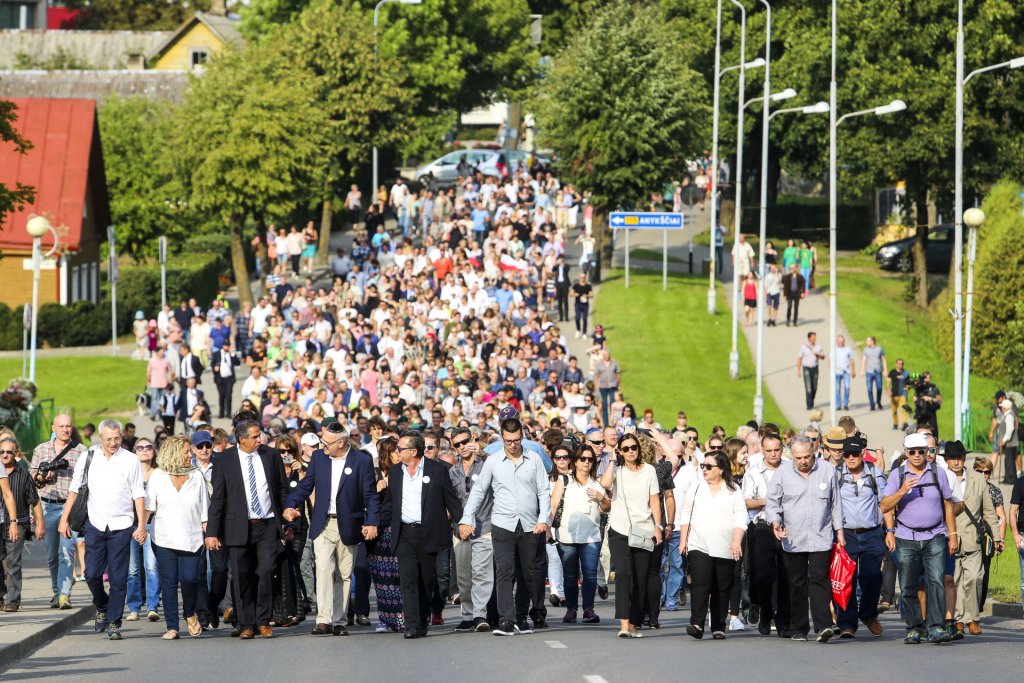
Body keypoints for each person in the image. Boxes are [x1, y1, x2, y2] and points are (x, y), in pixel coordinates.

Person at [283, 421, 380, 636]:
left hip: (349, 524)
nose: (322, 446)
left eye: (326, 442)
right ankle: (323, 619)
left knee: (344, 574)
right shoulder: (319, 459)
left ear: (341, 442)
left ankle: (339, 620)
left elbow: (370, 496)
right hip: (323, 523)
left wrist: (372, 521)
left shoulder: (361, 461)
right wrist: (291, 504)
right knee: (324, 570)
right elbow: (306, 485)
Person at [459, 416, 550, 636]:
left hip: (529, 524)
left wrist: (543, 519)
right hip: (502, 523)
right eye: (508, 440)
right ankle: (506, 619)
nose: (512, 444)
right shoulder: (493, 461)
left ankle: (521, 616)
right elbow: (479, 491)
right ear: (502, 438)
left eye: (516, 440)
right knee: (504, 571)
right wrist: (466, 518)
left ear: (522, 437)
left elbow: (543, 491)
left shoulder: (534, 459)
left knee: (527, 573)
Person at [59, 420, 148, 641]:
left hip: (122, 525)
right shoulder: (88, 457)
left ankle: (114, 622)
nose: (113, 443)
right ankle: (102, 604)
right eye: (108, 439)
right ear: (100, 438)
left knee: (118, 578)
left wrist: (141, 525)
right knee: (91, 574)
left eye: (117, 438)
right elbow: (74, 490)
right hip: (95, 523)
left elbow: (138, 493)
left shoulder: (130, 460)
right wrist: (64, 520)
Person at [205, 420, 291, 640]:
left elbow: (281, 490)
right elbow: (218, 499)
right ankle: (246, 623)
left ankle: (263, 620)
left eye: (259, 435)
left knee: (266, 571)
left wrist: (287, 521)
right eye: (254, 437)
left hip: (267, 525)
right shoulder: (225, 460)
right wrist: (212, 532)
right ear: (241, 439)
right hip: (238, 527)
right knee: (242, 577)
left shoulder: (270, 456)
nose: (259, 440)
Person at [879, 432, 957, 644]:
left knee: (936, 582)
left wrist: (953, 534)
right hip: (906, 536)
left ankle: (936, 627)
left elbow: (948, 504)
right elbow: (885, 506)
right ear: (905, 453)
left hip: (935, 535)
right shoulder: (898, 475)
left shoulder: (937, 473)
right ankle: (914, 627)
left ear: (927, 452)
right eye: (912, 452)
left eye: (921, 451)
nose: (916, 455)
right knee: (908, 585)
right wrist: (902, 491)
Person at [765, 436, 844, 643]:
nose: (803, 461)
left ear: (814, 452)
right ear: (792, 456)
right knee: (796, 583)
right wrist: (775, 522)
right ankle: (799, 628)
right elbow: (772, 503)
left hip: (821, 535)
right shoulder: (782, 473)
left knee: (819, 580)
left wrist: (840, 531)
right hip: (793, 536)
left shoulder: (826, 470)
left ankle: (823, 626)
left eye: (807, 457)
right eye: (799, 457)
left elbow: (836, 504)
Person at [389, 431, 462, 639]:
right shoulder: (395, 472)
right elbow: (389, 505)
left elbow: (451, 501)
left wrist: (463, 522)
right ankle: (411, 625)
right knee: (408, 579)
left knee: (425, 580)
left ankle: (422, 621)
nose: (397, 451)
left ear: (413, 451)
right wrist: (373, 524)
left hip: (428, 533)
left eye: (400, 448)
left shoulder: (437, 470)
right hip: (404, 532)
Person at [146, 435, 210, 639]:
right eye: (185, 451)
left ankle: (190, 612)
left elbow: (205, 510)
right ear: (173, 452)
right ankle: (172, 626)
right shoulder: (158, 476)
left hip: (192, 537)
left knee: (190, 579)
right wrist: (139, 528)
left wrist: (210, 533)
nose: (189, 454)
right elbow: (149, 507)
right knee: (169, 581)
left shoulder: (197, 475)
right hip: (164, 537)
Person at [599, 432, 662, 638]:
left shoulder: (650, 471)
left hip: (644, 530)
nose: (630, 451)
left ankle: (635, 622)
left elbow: (654, 500)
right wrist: (612, 462)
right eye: (625, 448)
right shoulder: (618, 469)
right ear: (620, 451)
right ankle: (624, 623)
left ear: (639, 448)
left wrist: (658, 526)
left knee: (640, 578)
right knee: (624, 574)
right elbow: (605, 484)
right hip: (619, 529)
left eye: (633, 447)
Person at [680, 449, 747, 640]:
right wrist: (684, 540)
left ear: (721, 468)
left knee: (721, 586)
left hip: (725, 546)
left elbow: (741, 517)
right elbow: (686, 514)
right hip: (698, 543)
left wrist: (736, 541)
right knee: (701, 583)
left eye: (709, 466)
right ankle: (697, 623)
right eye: (703, 466)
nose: (705, 469)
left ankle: (718, 626)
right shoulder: (696, 487)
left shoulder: (733, 489)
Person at [29, 413, 85, 609]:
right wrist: (42, 477)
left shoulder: (81, 451)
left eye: (68, 426)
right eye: (61, 426)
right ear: (53, 428)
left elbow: (85, 481)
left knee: (67, 552)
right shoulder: (41, 449)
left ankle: (64, 594)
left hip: (70, 507)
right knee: (52, 554)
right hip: (48, 505)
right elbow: (31, 477)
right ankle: (56, 591)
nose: (65, 429)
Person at [944, 440, 999, 637]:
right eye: (952, 458)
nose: (957, 462)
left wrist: (998, 537)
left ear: (964, 459)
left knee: (975, 578)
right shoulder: (942, 478)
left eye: (959, 458)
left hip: (972, 538)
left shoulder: (978, 479)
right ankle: (959, 619)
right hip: (949, 538)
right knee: (955, 580)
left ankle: (973, 619)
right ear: (947, 460)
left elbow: (989, 511)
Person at [550, 442, 608, 624]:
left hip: (591, 536)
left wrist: (601, 498)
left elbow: (607, 507)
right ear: (575, 461)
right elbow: (553, 505)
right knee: (570, 575)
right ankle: (571, 610)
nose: (586, 462)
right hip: (567, 535)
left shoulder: (597, 484)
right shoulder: (564, 480)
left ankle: (589, 610)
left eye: (590, 459)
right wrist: (549, 529)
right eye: (582, 459)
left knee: (590, 574)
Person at [834, 437, 886, 638]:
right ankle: (847, 623)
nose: (850, 458)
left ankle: (869, 615)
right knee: (846, 580)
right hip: (846, 534)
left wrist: (889, 531)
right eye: (846, 454)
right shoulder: (836, 474)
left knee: (872, 576)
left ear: (862, 454)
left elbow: (885, 503)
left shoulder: (875, 473)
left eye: (854, 454)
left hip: (872, 532)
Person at [743, 432, 791, 637]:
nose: (773, 454)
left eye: (776, 450)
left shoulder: (791, 469)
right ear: (762, 450)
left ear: (782, 449)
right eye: (769, 450)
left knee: (786, 575)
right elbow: (746, 502)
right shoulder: (753, 473)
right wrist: (768, 500)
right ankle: (765, 610)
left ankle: (783, 620)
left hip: (788, 526)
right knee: (762, 574)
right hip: (762, 525)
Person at [448, 428, 495, 632]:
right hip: (461, 529)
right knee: (464, 576)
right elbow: (451, 502)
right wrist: (460, 524)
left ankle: (479, 614)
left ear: (473, 439)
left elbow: (503, 463)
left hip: (485, 525)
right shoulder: (452, 471)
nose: (461, 447)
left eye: (465, 441)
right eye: (457, 444)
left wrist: (483, 452)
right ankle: (467, 615)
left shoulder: (488, 463)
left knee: (481, 573)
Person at [0, 435, 43, 612]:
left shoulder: (23, 474)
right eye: (1, 451)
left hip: (17, 522)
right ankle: (1, 596)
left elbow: (35, 500)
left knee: (13, 561)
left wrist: (40, 523)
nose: (4, 455)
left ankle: (13, 600)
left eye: (9, 452)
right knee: (1, 561)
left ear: (16, 453)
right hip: (0, 521)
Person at [366, 435, 405, 633]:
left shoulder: (403, 473)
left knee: (399, 577)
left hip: (397, 530)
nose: (399, 455)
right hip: (378, 533)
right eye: (395, 451)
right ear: (386, 454)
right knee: (381, 580)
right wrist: (376, 488)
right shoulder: (374, 474)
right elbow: (364, 498)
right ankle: (385, 619)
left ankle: (402, 617)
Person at [126, 438, 160, 622]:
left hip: (152, 525)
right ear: (135, 451)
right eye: (140, 447)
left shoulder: (159, 474)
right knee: (132, 569)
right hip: (131, 525)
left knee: (152, 567)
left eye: (148, 447)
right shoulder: (130, 473)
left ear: (154, 451)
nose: (145, 450)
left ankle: (153, 606)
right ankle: (133, 607)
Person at [972, 456, 1006, 608]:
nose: (983, 475)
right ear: (974, 471)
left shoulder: (994, 491)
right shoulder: (967, 488)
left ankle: (978, 606)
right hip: (969, 534)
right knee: (970, 573)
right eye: (980, 471)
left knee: (984, 572)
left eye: (987, 472)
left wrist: (1001, 540)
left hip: (988, 537)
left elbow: (1002, 518)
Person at [796, 332, 825, 411]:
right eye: (813, 337)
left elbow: (823, 357)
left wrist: (817, 354)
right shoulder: (803, 347)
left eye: (815, 337)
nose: (814, 339)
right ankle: (809, 404)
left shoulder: (818, 347)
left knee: (814, 386)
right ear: (809, 338)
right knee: (808, 386)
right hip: (806, 368)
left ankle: (811, 400)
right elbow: (799, 358)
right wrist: (798, 370)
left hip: (815, 368)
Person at [211, 342, 239, 420]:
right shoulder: (217, 354)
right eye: (225, 345)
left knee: (228, 395)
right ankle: (221, 412)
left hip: (229, 378)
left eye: (228, 346)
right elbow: (212, 364)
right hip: (220, 378)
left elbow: (238, 363)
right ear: (223, 346)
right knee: (221, 395)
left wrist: (233, 354)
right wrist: (215, 368)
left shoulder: (231, 354)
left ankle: (228, 413)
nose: (226, 347)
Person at [996, 398, 1020, 485]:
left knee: (1010, 461)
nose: (1001, 408)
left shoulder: (1009, 415)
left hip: (1010, 443)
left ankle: (1011, 479)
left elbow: (1010, 429)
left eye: (1002, 407)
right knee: (1008, 461)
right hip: (1008, 443)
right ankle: (1008, 478)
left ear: (1005, 408)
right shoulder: (1007, 414)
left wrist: (1004, 440)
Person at [911, 372, 942, 437]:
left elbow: (939, 400)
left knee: (933, 429)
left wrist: (930, 399)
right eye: (925, 377)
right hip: (921, 411)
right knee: (920, 430)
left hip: (931, 411)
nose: (926, 379)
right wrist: (915, 399)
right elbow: (915, 397)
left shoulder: (934, 388)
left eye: (928, 377)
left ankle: (934, 443)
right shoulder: (919, 387)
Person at [860, 336, 887, 411]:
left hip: (878, 371)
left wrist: (885, 370)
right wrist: (862, 370)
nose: (866, 342)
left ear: (872, 341)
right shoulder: (866, 349)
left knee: (879, 387)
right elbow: (864, 360)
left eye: (868, 340)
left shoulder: (879, 349)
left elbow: (883, 359)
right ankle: (872, 404)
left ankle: (878, 401)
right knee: (869, 388)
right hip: (869, 372)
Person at [887, 358, 911, 431]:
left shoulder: (906, 373)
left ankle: (904, 424)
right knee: (894, 411)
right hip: (894, 394)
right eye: (899, 363)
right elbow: (888, 381)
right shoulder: (892, 372)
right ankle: (895, 424)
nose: (900, 365)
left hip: (902, 395)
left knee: (903, 409)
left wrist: (906, 389)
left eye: (902, 363)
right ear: (896, 364)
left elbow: (909, 384)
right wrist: (888, 390)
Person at [834, 335, 855, 411]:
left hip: (846, 371)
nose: (840, 343)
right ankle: (838, 404)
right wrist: (831, 370)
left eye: (842, 341)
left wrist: (853, 370)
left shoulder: (848, 349)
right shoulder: (834, 349)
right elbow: (830, 359)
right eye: (839, 341)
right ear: (837, 341)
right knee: (837, 389)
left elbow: (851, 360)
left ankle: (845, 404)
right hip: (836, 372)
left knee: (847, 387)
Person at [571, 272, 592, 339]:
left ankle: (584, 333)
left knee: (585, 318)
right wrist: (575, 294)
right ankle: (578, 330)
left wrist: (587, 296)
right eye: (581, 277)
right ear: (579, 278)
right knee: (577, 317)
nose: (582, 279)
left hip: (585, 305)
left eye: (584, 277)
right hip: (578, 304)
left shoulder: (588, 286)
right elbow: (570, 294)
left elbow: (591, 294)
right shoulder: (576, 286)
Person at [553, 255, 571, 323]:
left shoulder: (566, 266)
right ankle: (561, 317)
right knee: (559, 301)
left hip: (565, 284)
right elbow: (553, 269)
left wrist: (562, 265)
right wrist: (558, 264)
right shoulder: (557, 267)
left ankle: (566, 317)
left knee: (565, 301)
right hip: (558, 284)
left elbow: (567, 269)